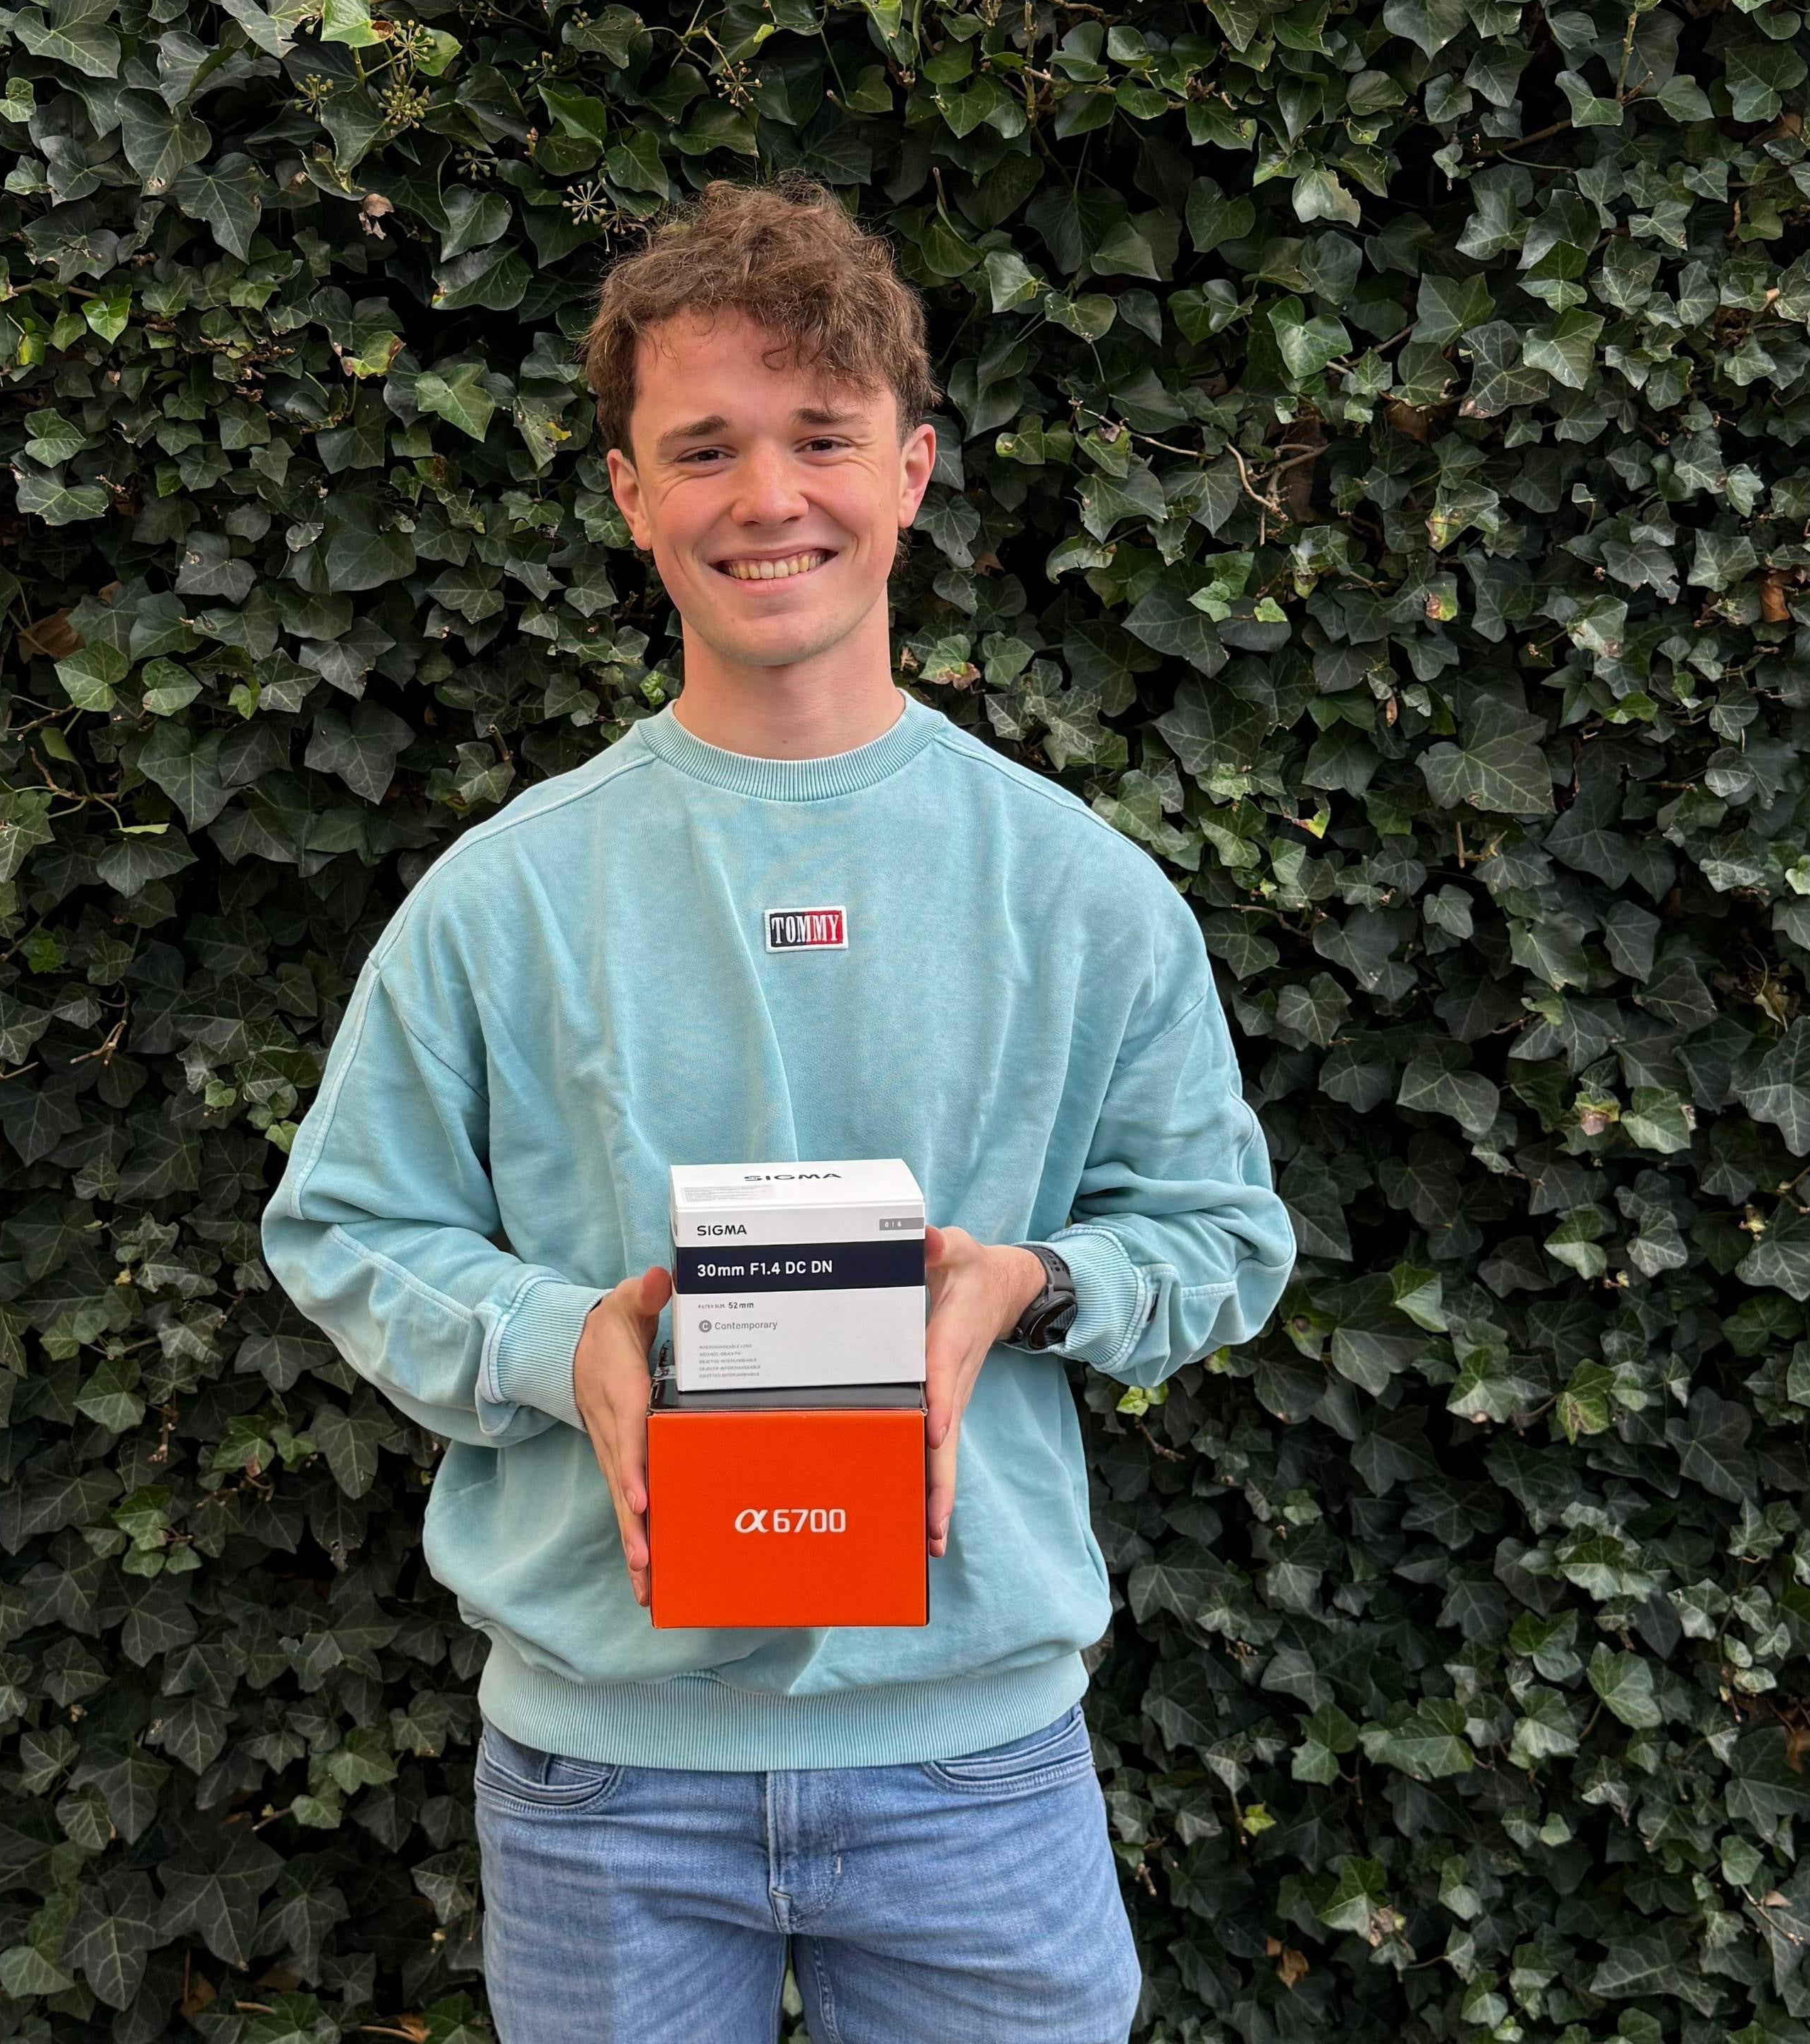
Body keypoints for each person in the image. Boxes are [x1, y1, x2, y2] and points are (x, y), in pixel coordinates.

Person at [260, 177, 1296, 2044]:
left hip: (976, 1768)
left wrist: (1031, 1285)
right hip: (607, 1784)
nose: (767, 498)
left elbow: (1221, 1234)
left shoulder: (1078, 890)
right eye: (704, 447)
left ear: (911, 468)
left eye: (820, 438)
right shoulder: (503, 898)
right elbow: (347, 1227)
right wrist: (561, 1339)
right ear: (628, 493)